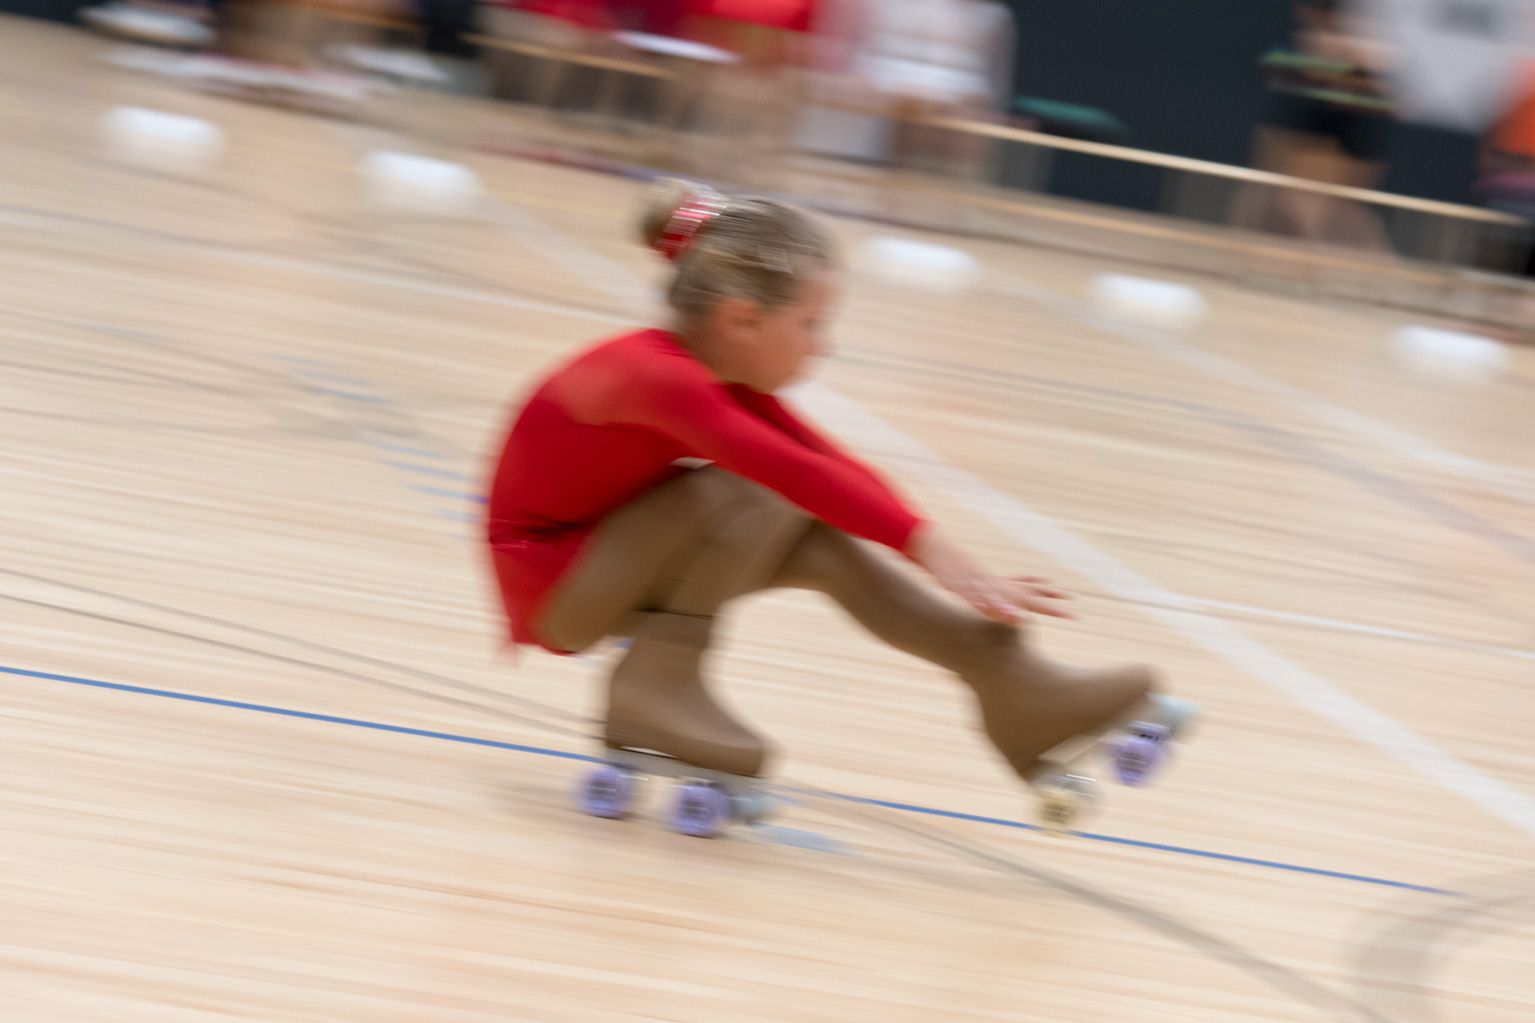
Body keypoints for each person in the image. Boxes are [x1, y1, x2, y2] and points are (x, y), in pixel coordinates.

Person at [484, 180, 1179, 826]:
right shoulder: (657, 377)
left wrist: (930, 543)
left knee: (817, 545)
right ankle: (654, 688)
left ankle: (1014, 686)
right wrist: (931, 550)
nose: (824, 345)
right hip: (552, 580)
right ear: (741, 319)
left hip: (600, 563)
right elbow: (789, 470)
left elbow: (829, 460)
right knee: (754, 488)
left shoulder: (706, 373)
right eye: (812, 323)